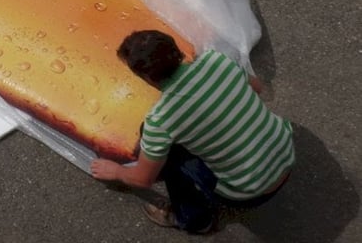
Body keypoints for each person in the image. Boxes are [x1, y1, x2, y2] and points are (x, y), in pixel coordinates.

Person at [90, 30, 295, 234]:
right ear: (176, 49)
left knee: (170, 157)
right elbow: (256, 88)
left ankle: (194, 219)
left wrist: (117, 171)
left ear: (145, 77)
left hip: (250, 191)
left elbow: (143, 180)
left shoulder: (161, 120)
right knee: (168, 141)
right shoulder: (217, 61)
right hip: (286, 154)